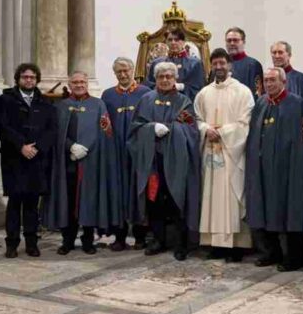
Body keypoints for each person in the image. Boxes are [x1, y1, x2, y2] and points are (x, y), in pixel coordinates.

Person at [42, 71, 122, 255]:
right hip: (68, 162)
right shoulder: (61, 106)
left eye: (82, 82)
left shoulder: (98, 104)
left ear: (87, 84)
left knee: (89, 201)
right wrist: (71, 147)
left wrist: (87, 148)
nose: (79, 85)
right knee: (68, 201)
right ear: (70, 85)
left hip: (91, 162)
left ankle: (88, 241)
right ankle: (67, 241)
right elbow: (56, 132)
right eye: (75, 82)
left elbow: (105, 131)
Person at [128, 61, 201, 260]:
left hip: (176, 161)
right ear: (156, 79)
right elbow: (135, 128)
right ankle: (158, 240)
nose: (165, 80)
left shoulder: (184, 101)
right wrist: (151, 128)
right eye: (161, 77)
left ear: (175, 78)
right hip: (152, 160)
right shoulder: (146, 99)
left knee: (177, 201)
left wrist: (172, 129)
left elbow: (190, 129)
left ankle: (181, 244)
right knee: (155, 201)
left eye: (169, 76)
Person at [246, 66, 303, 271]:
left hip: (287, 168)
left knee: (290, 210)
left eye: (273, 80)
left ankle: (294, 257)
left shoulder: (296, 103)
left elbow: (301, 138)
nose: (269, 84)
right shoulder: (262, 102)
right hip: (262, 167)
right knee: (263, 208)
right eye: (266, 80)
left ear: (284, 82)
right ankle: (271, 252)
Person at [195, 48, 254, 261]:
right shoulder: (204, 93)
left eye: (222, 63)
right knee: (210, 196)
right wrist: (205, 130)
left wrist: (220, 132)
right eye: (215, 63)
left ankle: (236, 246)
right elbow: (197, 119)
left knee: (231, 196)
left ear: (230, 65)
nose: (219, 67)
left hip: (232, 155)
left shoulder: (243, 92)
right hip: (210, 154)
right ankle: (214, 244)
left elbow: (245, 123)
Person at [0, 63, 56, 258]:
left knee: (32, 203)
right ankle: (12, 244)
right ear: (18, 79)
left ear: (37, 79)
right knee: (14, 203)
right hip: (14, 158)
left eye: (32, 77)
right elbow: (3, 127)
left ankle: (32, 243)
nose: (29, 80)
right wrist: (21, 146)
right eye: (25, 77)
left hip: (36, 159)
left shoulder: (46, 102)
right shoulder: (5, 100)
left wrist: (37, 148)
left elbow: (51, 130)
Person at [101, 57, 151, 251]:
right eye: (119, 72)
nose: (123, 74)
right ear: (115, 73)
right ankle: (119, 237)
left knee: (139, 193)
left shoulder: (145, 93)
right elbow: (104, 124)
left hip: (138, 153)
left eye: (126, 70)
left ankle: (140, 236)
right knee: (118, 194)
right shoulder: (108, 95)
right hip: (116, 154)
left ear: (132, 70)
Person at [147, 28, 205, 101]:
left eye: (177, 40)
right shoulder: (157, 63)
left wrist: (182, 87)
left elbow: (199, 89)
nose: (173, 42)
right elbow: (149, 86)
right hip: (160, 102)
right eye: (170, 40)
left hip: (184, 104)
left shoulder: (195, 63)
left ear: (183, 42)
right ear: (166, 42)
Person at [225, 27, 263, 99]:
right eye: (229, 41)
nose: (232, 43)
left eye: (235, 40)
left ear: (243, 42)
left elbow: (257, 95)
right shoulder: (220, 65)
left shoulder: (253, 65)